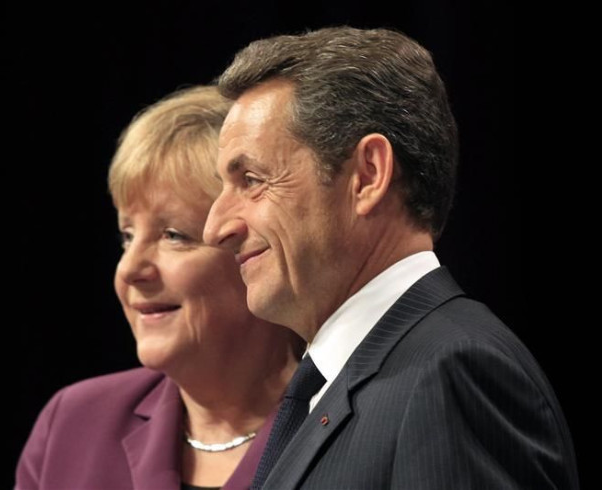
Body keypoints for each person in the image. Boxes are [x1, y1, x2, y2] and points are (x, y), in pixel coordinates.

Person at [203, 27, 579, 489]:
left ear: (368, 175)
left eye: (252, 179)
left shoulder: (451, 372)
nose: (216, 228)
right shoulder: (345, 377)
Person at [15, 85, 303, 490]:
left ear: (256, 251)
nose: (130, 269)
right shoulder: (73, 423)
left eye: (173, 235)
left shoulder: (350, 424)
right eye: (127, 236)